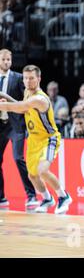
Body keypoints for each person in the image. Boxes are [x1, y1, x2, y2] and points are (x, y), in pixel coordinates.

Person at [0, 65, 72, 214]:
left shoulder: (40, 99)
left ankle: (63, 196)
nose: (28, 81)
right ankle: (47, 198)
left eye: (31, 78)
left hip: (48, 138)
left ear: (39, 79)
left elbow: (20, 107)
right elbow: (22, 106)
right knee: (32, 175)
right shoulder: (27, 92)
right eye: (25, 78)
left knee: (43, 170)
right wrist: (4, 96)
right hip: (33, 139)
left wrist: (4, 104)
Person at [0, 49, 39, 208]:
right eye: (3, 60)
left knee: (18, 158)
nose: (6, 62)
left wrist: (6, 100)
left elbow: (25, 102)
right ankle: (1, 198)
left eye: (9, 60)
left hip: (15, 125)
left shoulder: (18, 78)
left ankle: (31, 196)